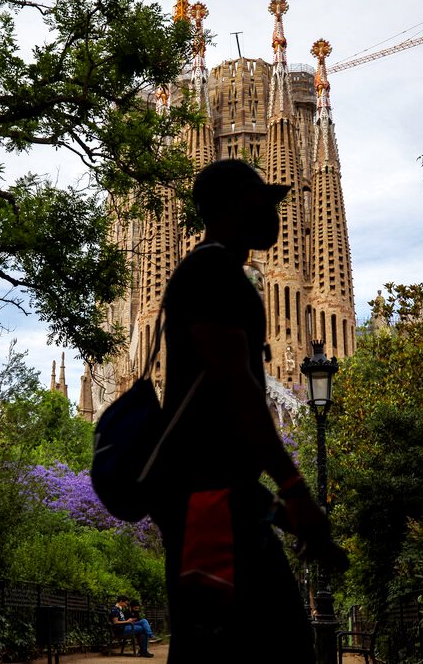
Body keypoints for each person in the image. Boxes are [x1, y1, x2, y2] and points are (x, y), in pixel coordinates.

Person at [149, 158, 348, 663]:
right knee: (230, 643)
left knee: (248, 640)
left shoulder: (215, 272)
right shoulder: (213, 272)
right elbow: (232, 386)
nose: (276, 215)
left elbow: (222, 424)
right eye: (265, 201)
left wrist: (277, 511)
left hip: (219, 497)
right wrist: (295, 490)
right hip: (207, 502)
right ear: (235, 204)